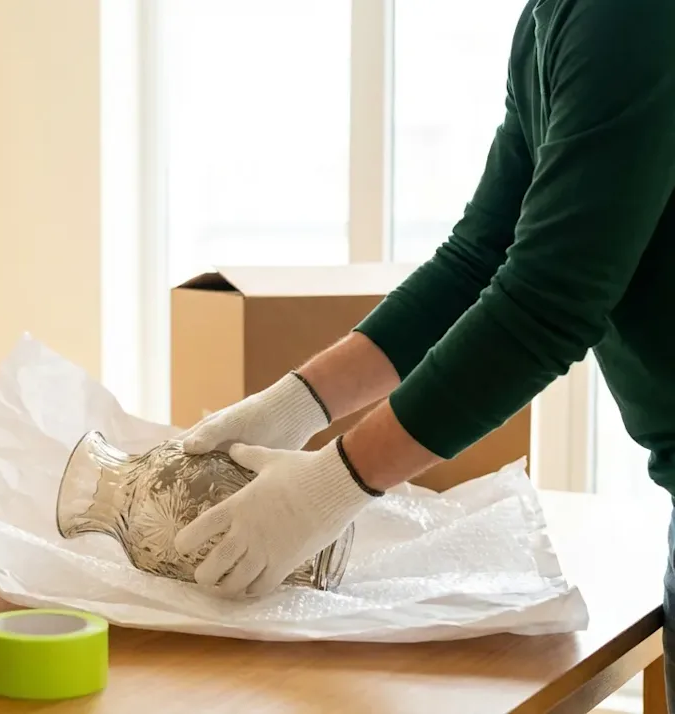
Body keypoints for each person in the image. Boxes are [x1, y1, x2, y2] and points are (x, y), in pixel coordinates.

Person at [172, 0, 675, 704]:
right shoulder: (551, 20)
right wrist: (294, 404)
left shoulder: (626, 16)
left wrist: (328, 488)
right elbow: (480, 257)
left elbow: (547, 304)